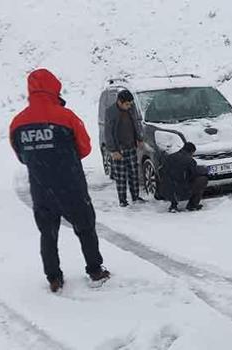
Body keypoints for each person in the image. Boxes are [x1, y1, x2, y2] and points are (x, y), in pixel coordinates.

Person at [9, 68, 110, 293]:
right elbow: (85, 148)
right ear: (54, 88)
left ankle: (54, 278)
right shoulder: (67, 117)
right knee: (85, 229)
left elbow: (21, 156)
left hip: (41, 189)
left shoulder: (18, 123)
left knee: (48, 233)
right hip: (71, 187)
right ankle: (95, 270)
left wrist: (40, 158)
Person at [104, 90, 145, 207]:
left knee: (134, 173)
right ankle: (123, 200)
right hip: (119, 149)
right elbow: (108, 133)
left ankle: (135, 196)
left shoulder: (131, 109)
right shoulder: (111, 112)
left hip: (131, 145)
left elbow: (136, 124)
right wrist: (113, 150)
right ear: (119, 102)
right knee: (121, 176)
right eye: (127, 104)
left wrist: (139, 138)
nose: (129, 106)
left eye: (130, 104)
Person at [159, 142, 209, 212]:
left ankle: (173, 205)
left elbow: (161, 171)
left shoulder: (169, 157)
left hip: (165, 191)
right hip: (182, 191)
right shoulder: (190, 161)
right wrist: (203, 170)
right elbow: (193, 175)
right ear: (191, 151)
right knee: (202, 179)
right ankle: (192, 205)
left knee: (172, 182)